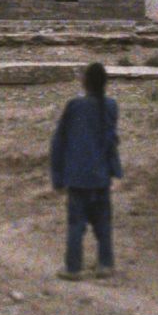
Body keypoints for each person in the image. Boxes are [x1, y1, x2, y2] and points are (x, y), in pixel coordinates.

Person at [49, 61, 121, 281]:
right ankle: (105, 264)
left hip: (77, 176)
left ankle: (73, 267)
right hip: (101, 176)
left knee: (76, 224)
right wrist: (115, 170)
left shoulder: (74, 106)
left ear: (85, 82)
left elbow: (59, 142)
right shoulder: (110, 106)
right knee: (103, 224)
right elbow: (111, 141)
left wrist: (57, 177)